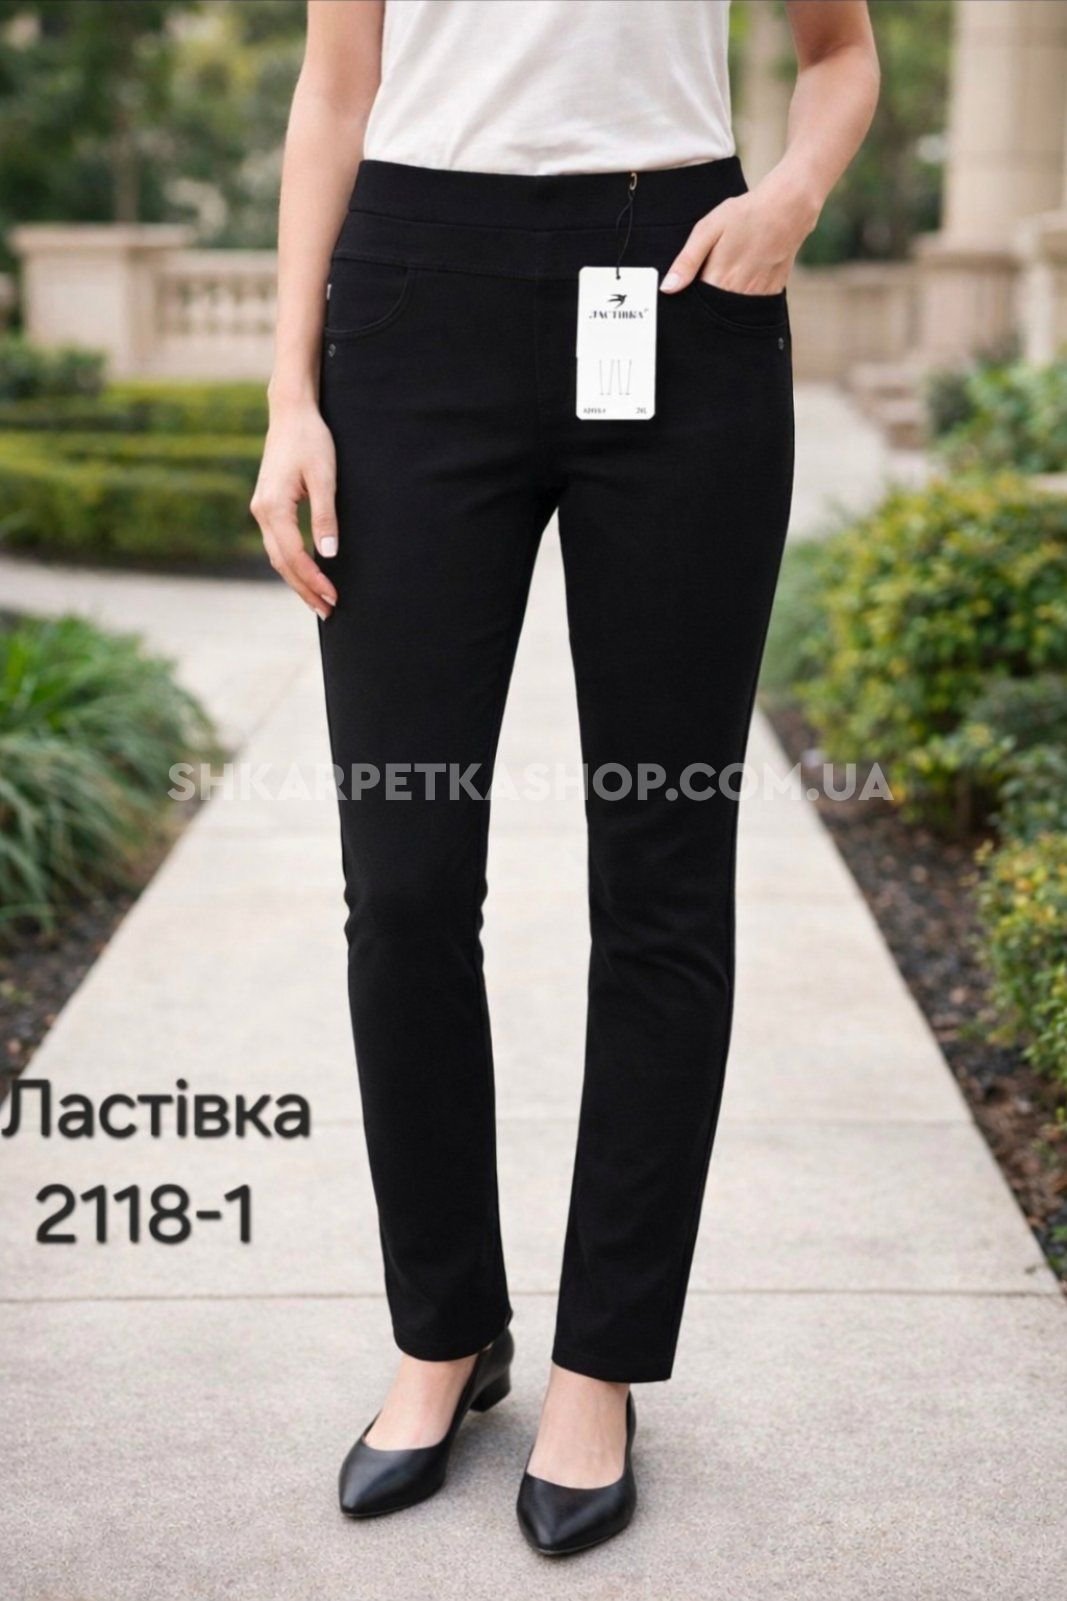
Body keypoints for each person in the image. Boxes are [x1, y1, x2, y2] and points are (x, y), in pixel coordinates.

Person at [252, 0, 878, 1557]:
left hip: (685, 285)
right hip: (412, 302)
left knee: (664, 871)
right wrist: (288, 398)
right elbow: (334, 93)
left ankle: (603, 1362)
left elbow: (840, 52)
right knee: (403, 883)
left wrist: (792, 197)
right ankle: (444, 1331)